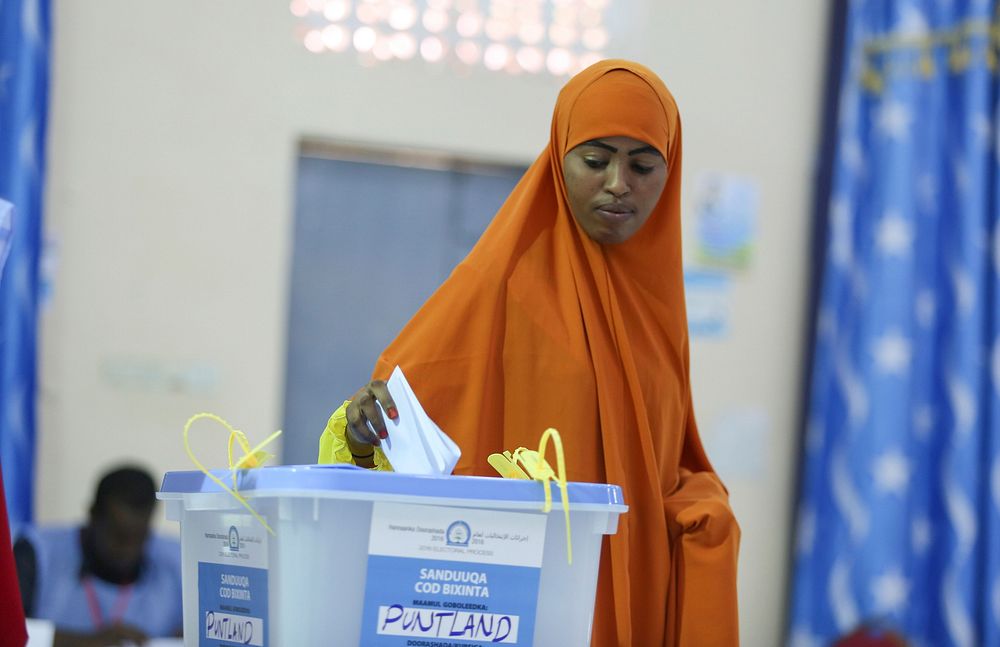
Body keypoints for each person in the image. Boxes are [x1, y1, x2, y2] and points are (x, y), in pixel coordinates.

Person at [318, 59, 740, 646]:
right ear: (558, 156)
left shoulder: (658, 308)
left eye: (643, 165)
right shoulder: (499, 285)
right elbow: (397, 432)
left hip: (631, 594)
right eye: (596, 161)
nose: (619, 182)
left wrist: (700, 497)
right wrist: (363, 432)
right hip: (513, 605)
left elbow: (665, 457)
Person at [13, 465, 182, 646]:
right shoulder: (36, 552)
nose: (128, 550)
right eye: (119, 537)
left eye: (140, 538)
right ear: (93, 515)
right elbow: (8, 632)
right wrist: (86, 642)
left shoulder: (176, 559)